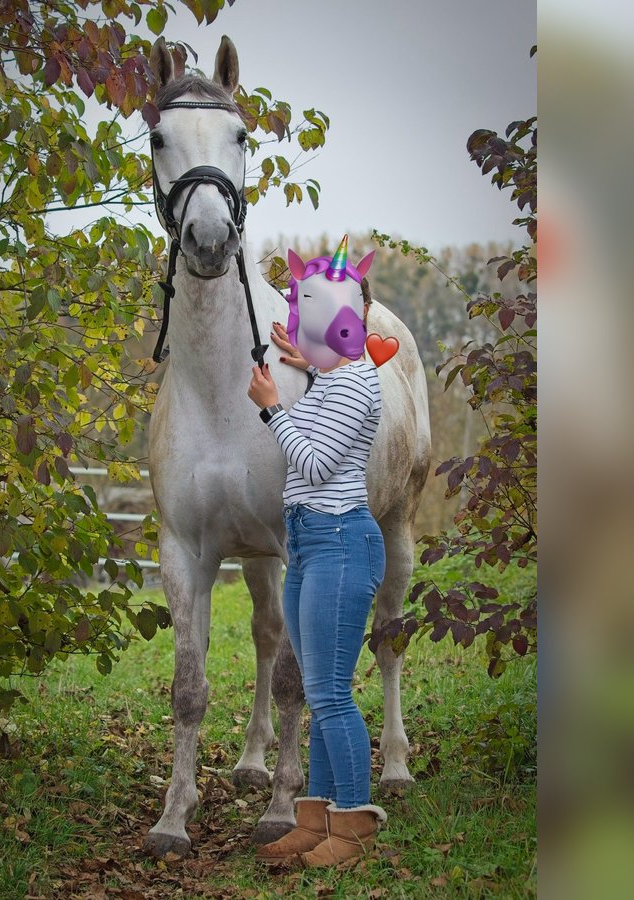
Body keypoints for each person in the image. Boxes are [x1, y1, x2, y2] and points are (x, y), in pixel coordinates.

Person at [246, 284, 389, 869]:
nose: (300, 326)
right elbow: (326, 396)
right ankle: (316, 821)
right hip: (308, 544)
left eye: (311, 321)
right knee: (316, 687)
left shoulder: (355, 382)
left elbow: (313, 460)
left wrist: (273, 407)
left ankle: (353, 831)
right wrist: (311, 364)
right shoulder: (337, 375)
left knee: (331, 694)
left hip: (340, 541)